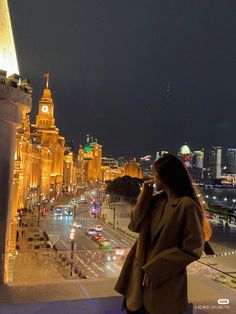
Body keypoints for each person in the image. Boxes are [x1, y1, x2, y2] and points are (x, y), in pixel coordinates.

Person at [115, 153, 212, 314]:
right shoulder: (155, 201)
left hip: (164, 283)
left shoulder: (186, 206)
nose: (152, 177)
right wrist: (145, 194)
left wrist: (156, 269)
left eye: (154, 173)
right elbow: (134, 225)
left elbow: (193, 248)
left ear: (165, 177)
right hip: (137, 282)